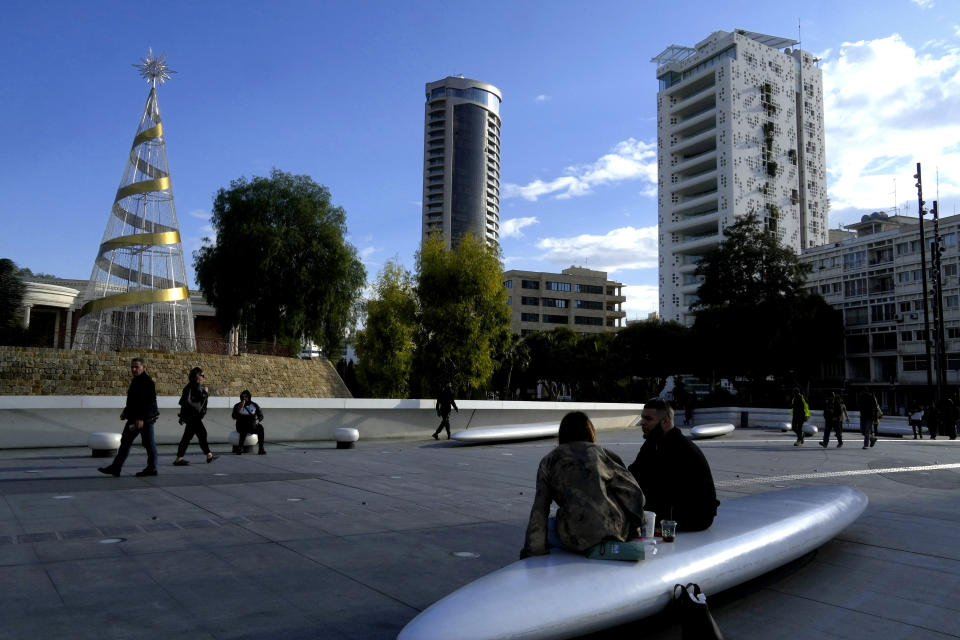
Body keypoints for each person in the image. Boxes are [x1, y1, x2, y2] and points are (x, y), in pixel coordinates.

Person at [520, 411, 645, 558]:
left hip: (575, 536)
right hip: (612, 530)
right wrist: (637, 527)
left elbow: (539, 510)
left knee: (550, 525)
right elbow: (634, 494)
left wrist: (533, 551)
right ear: (589, 431)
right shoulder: (602, 454)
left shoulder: (549, 460)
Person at [628, 398, 719, 532]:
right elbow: (635, 473)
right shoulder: (653, 442)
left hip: (695, 516)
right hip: (673, 508)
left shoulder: (681, 448)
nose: (643, 422)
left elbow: (657, 486)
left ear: (666, 421)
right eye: (642, 418)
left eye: (648, 419)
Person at [97, 357, 159, 477]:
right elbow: (133, 400)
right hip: (135, 418)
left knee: (148, 444)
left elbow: (149, 401)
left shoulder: (147, 382)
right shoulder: (136, 380)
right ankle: (116, 467)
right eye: (132, 367)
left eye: (137, 367)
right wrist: (126, 412)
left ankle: (151, 468)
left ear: (144, 367)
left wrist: (141, 418)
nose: (134, 369)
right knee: (127, 441)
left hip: (144, 420)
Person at [173, 367, 218, 466]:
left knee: (190, 437)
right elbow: (201, 402)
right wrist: (205, 392)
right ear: (198, 376)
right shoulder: (197, 387)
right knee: (200, 434)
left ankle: (208, 455)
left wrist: (182, 416)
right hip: (194, 417)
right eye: (202, 375)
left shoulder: (188, 387)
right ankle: (207, 455)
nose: (203, 377)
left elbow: (183, 403)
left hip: (190, 417)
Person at [232, 390, 265, 455]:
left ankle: (261, 448)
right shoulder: (237, 405)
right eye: (242, 396)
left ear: (249, 397)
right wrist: (239, 409)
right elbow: (234, 416)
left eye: (246, 396)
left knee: (260, 428)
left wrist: (257, 421)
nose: (244, 398)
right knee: (243, 429)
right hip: (241, 425)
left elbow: (261, 416)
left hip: (252, 425)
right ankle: (240, 448)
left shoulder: (254, 405)